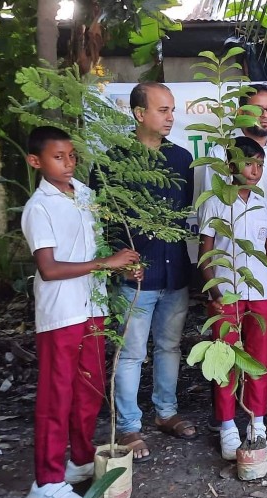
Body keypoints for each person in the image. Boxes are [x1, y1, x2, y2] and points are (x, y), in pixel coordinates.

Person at [22, 126, 140, 498]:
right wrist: (107, 263)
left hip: (92, 308)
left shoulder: (86, 196)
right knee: (56, 398)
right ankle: (48, 481)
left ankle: (80, 461)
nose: (69, 163)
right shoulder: (39, 207)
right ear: (36, 162)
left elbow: (94, 250)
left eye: (72, 155)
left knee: (88, 391)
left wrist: (121, 266)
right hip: (61, 314)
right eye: (59, 157)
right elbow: (50, 268)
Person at [201, 83, 267, 425]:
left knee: (264, 351)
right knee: (226, 354)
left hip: (263, 283)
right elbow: (207, 238)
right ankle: (226, 421)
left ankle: (261, 412)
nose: (266, 115)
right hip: (227, 284)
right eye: (258, 109)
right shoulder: (216, 164)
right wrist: (212, 290)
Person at [111, 82, 196, 461]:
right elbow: (107, 222)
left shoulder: (181, 159)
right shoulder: (114, 161)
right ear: (138, 113)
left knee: (169, 347)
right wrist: (123, 261)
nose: (170, 117)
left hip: (174, 273)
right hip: (136, 280)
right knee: (130, 354)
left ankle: (166, 412)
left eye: (172, 109)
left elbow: (182, 219)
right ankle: (128, 425)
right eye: (162, 110)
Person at [199, 136, 267, 461]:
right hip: (226, 295)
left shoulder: (266, 204)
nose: (255, 170)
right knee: (224, 361)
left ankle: (256, 422)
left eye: (260, 164)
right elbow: (205, 255)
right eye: (249, 163)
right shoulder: (216, 202)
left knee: (258, 362)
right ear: (231, 166)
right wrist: (216, 293)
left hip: (260, 295)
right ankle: (227, 425)